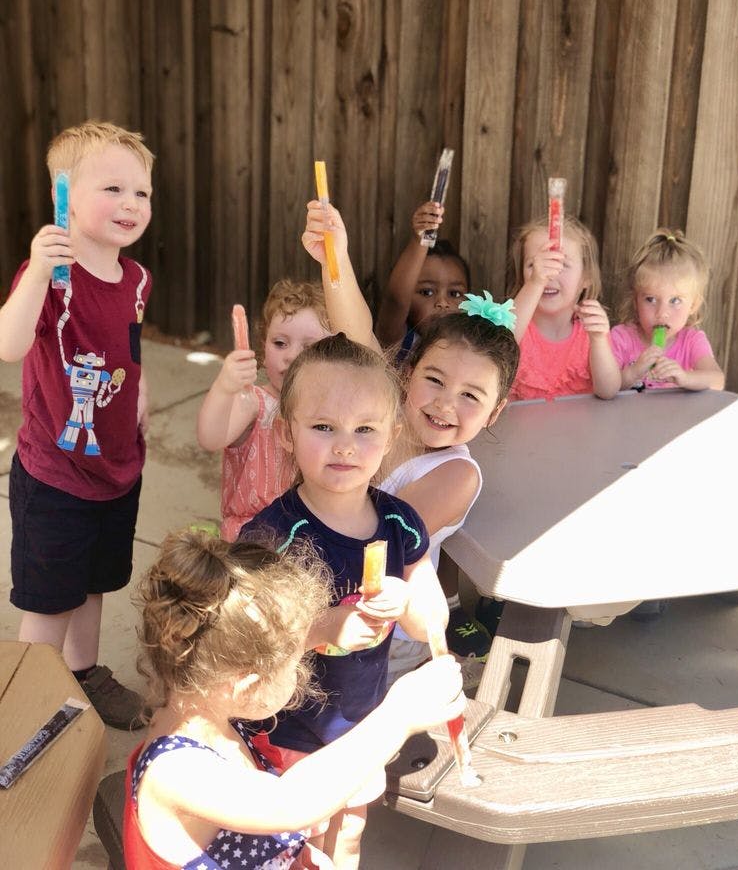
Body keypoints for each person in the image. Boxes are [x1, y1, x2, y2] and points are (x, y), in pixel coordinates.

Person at [126, 528, 464, 870]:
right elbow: (289, 803)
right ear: (248, 686)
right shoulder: (177, 773)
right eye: (296, 662)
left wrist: (326, 629)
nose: (301, 669)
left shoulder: (199, 702)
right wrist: (399, 715)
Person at [238, 332, 451, 869]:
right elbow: (245, 646)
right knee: (298, 842)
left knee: (349, 832)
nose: (345, 446)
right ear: (286, 433)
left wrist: (406, 599)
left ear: (391, 436)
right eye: (323, 427)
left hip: (361, 722)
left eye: (365, 429)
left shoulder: (401, 524)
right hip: (287, 730)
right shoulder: (272, 537)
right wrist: (320, 628)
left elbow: (432, 623)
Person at [302, 200, 520, 685]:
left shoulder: (456, 475)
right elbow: (356, 333)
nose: (445, 404)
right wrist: (334, 256)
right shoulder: (389, 414)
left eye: (470, 396)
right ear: (406, 373)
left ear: (494, 412)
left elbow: (376, 543)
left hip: (380, 637)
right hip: (322, 595)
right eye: (434, 380)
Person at [0, 120, 154, 730]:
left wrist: (141, 389)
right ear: (61, 195)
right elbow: (10, 345)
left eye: (141, 192)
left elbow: (129, 344)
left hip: (116, 469)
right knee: (49, 601)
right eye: (112, 188)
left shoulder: (137, 278)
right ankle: (25, 704)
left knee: (92, 585)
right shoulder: (52, 278)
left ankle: (84, 673)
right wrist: (38, 272)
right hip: (55, 477)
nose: (131, 203)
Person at [197, 280, 330, 541]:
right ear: (263, 347)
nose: (291, 356)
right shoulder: (253, 403)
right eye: (280, 343)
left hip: (306, 540)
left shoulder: (331, 413)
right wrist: (225, 387)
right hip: (251, 541)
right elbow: (209, 437)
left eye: (308, 347)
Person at [507, 215, 621, 401]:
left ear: (586, 277)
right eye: (534, 265)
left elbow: (607, 391)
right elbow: (501, 341)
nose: (548, 274)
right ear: (522, 277)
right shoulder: (516, 325)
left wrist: (599, 340)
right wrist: (535, 283)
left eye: (561, 264)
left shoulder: (590, 332)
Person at [610, 228, 725, 393]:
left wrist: (684, 377)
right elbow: (605, 386)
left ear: (693, 305)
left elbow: (717, 381)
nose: (662, 313)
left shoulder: (691, 341)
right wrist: (634, 372)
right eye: (651, 299)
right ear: (635, 301)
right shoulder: (621, 337)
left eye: (675, 301)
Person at [374, 200, 470, 364]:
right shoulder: (399, 342)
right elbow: (395, 301)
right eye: (427, 292)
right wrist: (420, 238)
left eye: (454, 294)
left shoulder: (473, 348)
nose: (442, 303)